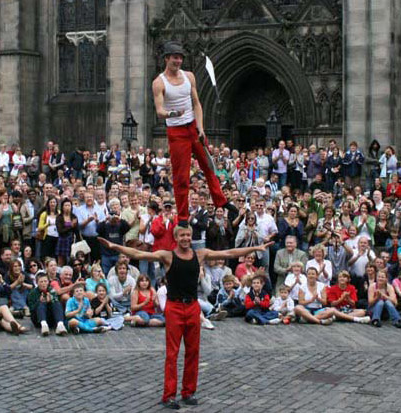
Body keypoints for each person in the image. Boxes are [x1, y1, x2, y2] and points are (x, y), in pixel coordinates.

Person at [99, 225, 269, 409]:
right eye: (182, 235)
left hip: (193, 306)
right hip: (174, 307)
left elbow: (229, 253)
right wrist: (114, 246)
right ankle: (169, 395)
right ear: (176, 237)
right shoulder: (167, 255)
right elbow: (138, 254)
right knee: (172, 353)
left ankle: (188, 392)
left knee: (193, 351)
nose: (186, 238)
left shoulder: (200, 254)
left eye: (188, 235)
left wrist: (255, 248)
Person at [151, 41, 237, 228]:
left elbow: (197, 104)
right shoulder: (159, 83)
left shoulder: (189, 76)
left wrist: (201, 127)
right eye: (175, 57)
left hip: (193, 127)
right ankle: (182, 216)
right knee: (181, 177)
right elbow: (159, 110)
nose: (178, 60)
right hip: (176, 131)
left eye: (180, 57)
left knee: (209, 166)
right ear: (166, 58)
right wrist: (172, 114)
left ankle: (221, 201)